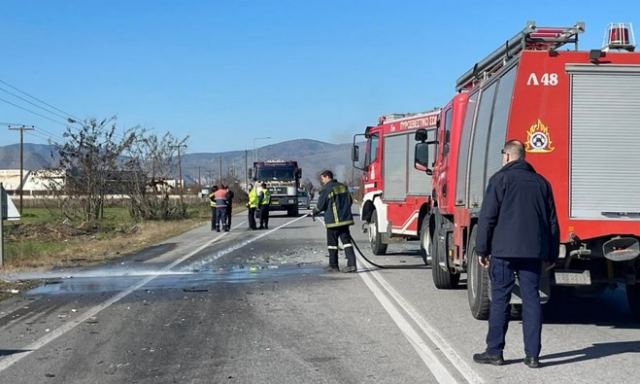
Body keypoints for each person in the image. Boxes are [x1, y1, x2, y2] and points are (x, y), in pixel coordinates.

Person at [472, 140, 559, 369]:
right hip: (533, 253)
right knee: (531, 300)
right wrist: (551, 254)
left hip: (503, 252)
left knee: (500, 299)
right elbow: (551, 222)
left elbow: (487, 218)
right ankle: (532, 356)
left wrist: (482, 249)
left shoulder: (500, 180)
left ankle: (495, 352)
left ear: (508, 157)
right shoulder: (542, 183)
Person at [313, 170, 357, 273]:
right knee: (347, 243)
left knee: (332, 244)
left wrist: (314, 212)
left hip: (333, 221)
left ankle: (333, 266)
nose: (322, 181)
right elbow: (350, 201)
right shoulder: (343, 186)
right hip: (345, 220)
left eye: (322, 178)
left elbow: (321, 205)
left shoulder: (327, 189)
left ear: (327, 177)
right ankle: (352, 264)